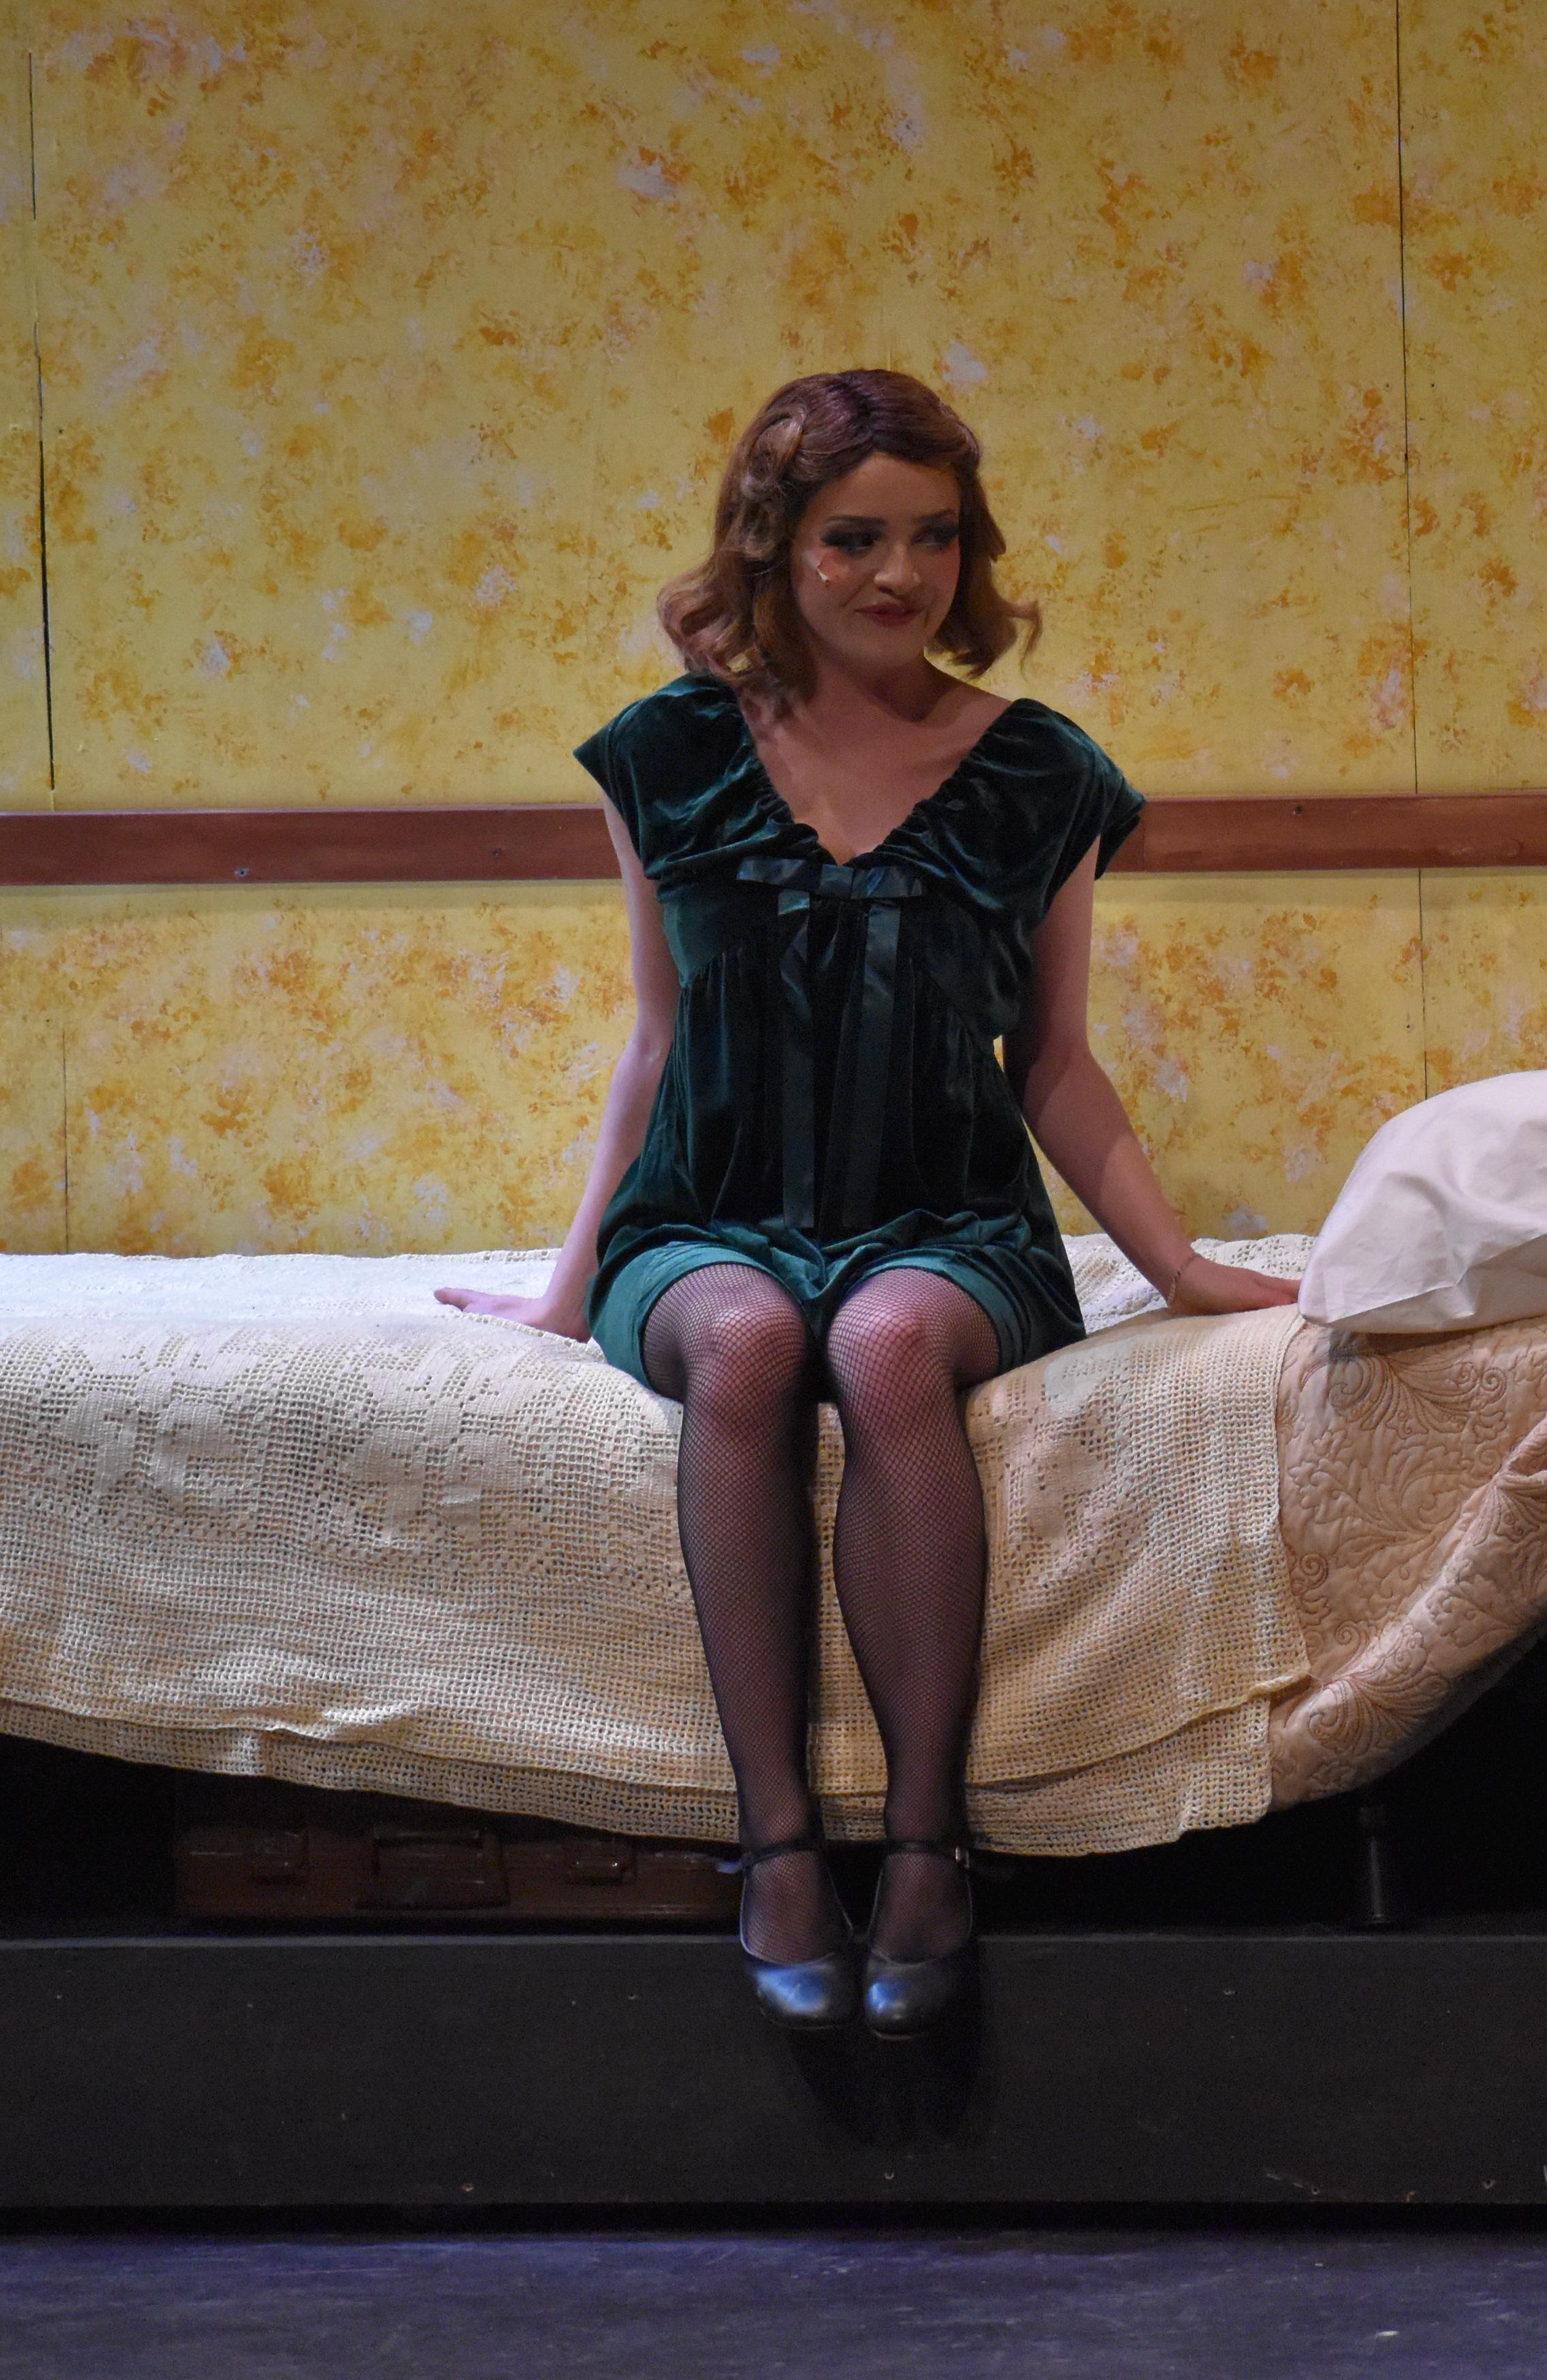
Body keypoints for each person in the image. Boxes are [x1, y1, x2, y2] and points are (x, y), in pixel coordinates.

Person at [443, 370, 1294, 2035]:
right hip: (709, 1210)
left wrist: (1179, 1264)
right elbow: (656, 1038)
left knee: (889, 1345)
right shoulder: (666, 756)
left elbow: (1055, 1060)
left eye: (933, 535)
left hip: (948, 1220)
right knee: (751, 1342)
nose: (899, 572)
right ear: (774, 543)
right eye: (853, 538)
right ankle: (775, 1848)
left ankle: (924, 1845)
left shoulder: (1041, 772)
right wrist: (566, 1284)